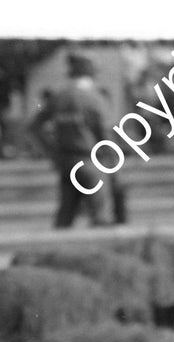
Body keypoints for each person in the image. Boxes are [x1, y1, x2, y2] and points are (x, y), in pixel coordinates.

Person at [29, 51, 112, 229]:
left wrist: (51, 151)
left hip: (65, 161)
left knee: (65, 214)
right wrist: (111, 157)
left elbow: (34, 127)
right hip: (89, 160)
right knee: (100, 214)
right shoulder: (94, 98)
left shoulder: (59, 97)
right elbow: (104, 132)